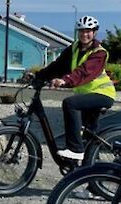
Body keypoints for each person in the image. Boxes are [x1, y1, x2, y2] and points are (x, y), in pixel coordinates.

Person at [35, 16, 116, 163]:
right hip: (86, 96)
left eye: (88, 31)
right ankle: (90, 173)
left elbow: (83, 72)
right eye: (81, 31)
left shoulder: (99, 53)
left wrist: (65, 81)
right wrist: (38, 76)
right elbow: (57, 66)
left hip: (102, 94)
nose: (84, 34)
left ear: (95, 33)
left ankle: (76, 149)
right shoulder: (74, 48)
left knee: (70, 103)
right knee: (86, 135)